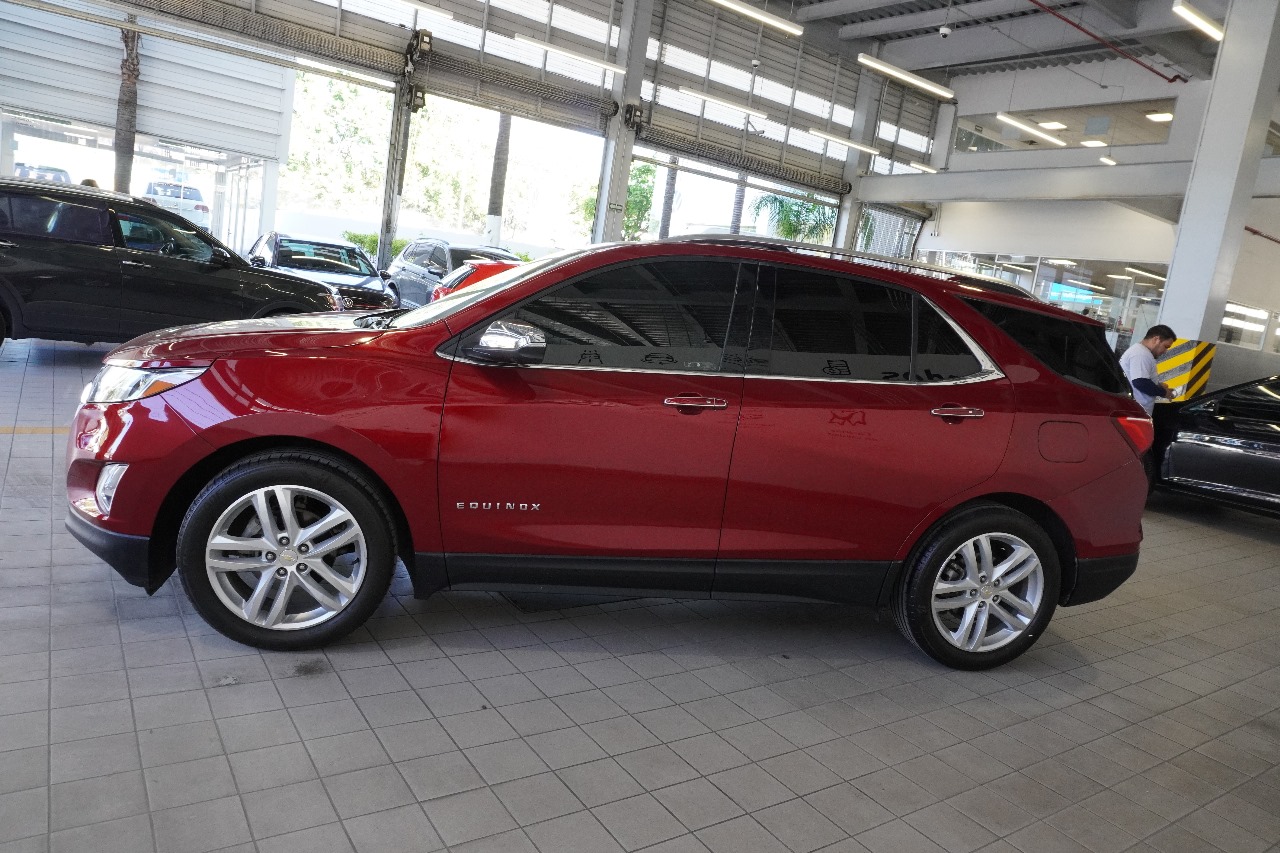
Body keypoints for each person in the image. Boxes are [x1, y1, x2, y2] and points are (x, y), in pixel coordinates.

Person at [1120, 324, 1177, 414]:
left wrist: (1157, 385)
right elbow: (1141, 382)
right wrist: (1164, 392)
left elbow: (1141, 378)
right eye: (1166, 346)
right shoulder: (1141, 354)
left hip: (1136, 409)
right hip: (1135, 410)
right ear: (1156, 339)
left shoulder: (1142, 352)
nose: (1165, 351)